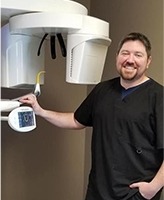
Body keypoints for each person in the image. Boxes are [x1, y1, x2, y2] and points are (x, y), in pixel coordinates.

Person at [20, 32, 164, 200]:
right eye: (125, 53)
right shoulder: (102, 90)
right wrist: (40, 111)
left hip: (135, 194)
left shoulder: (159, 97)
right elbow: (75, 120)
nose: (130, 60)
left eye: (138, 55)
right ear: (117, 56)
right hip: (99, 191)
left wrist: (153, 188)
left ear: (148, 61)